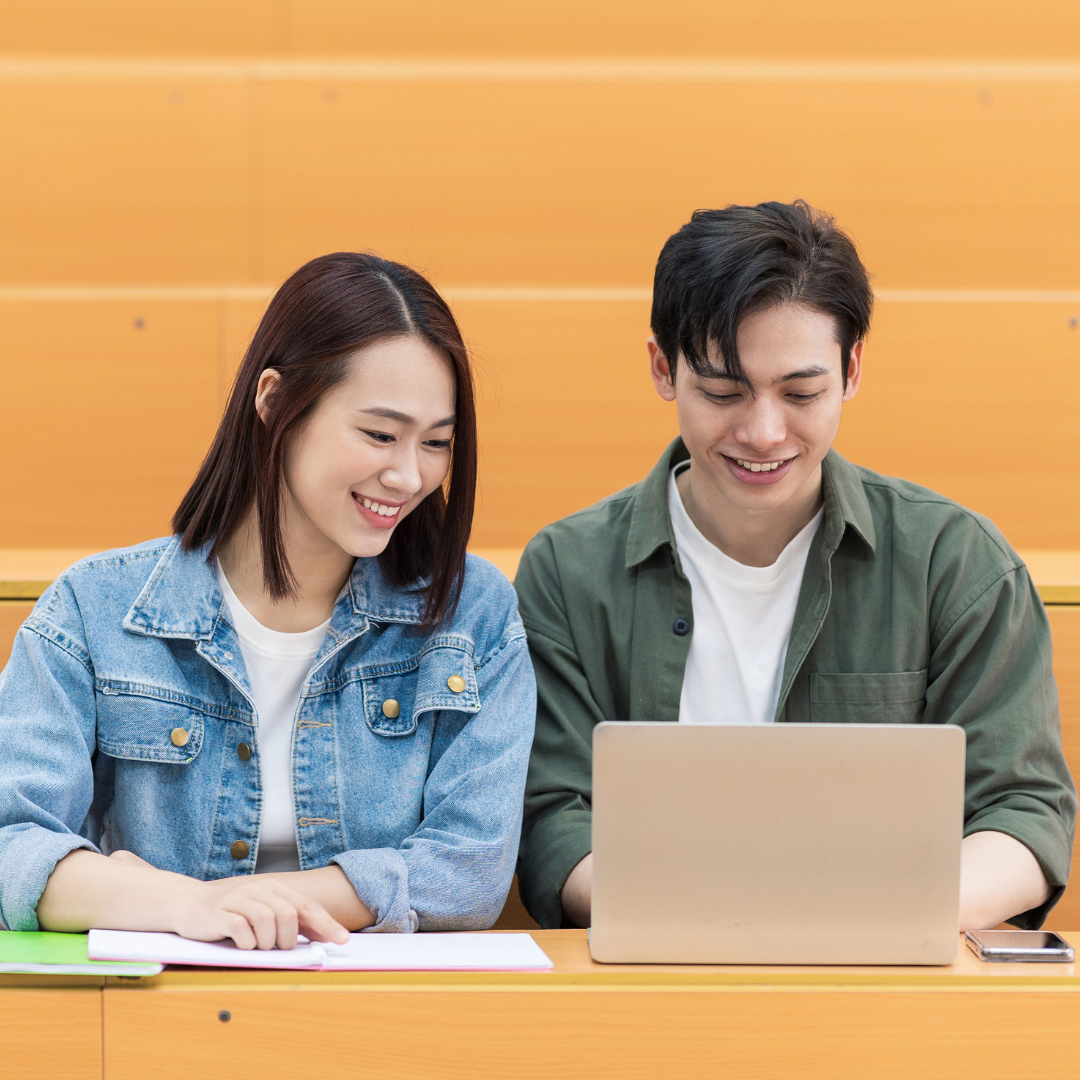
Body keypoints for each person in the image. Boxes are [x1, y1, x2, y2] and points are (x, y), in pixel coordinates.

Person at [515, 201, 1077, 933]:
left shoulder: (956, 561)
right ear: (662, 368)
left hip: (891, 991)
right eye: (722, 391)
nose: (762, 432)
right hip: (653, 984)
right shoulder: (567, 570)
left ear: (851, 371)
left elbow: (1024, 812)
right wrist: (707, 919)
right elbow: (552, 821)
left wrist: (863, 921)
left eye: (801, 392)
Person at [0, 253, 536, 948]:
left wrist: (234, 904)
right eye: (379, 434)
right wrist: (182, 907)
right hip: (164, 1026)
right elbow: (13, 842)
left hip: (386, 1024)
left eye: (436, 443)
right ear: (275, 400)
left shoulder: (474, 614)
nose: (409, 475)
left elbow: (467, 875)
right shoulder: (94, 611)